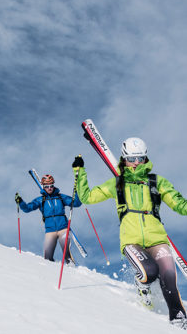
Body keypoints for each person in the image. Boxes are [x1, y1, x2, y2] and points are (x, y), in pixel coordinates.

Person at [72, 137, 187, 329]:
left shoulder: (156, 182)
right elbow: (88, 197)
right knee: (149, 272)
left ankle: (178, 319)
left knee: (168, 274)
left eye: (140, 158)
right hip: (131, 240)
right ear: (124, 159)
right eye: (132, 159)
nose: (136, 163)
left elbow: (179, 204)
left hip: (157, 238)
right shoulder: (117, 183)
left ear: (145, 158)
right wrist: (79, 172)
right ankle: (142, 287)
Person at [15, 173, 81, 263]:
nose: (49, 188)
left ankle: (70, 263)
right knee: (47, 257)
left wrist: (77, 192)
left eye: (51, 185)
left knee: (66, 249)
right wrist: (21, 202)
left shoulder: (61, 197)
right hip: (50, 230)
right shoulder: (40, 200)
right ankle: (50, 271)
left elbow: (76, 203)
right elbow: (27, 208)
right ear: (44, 187)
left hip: (63, 228)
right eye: (47, 186)